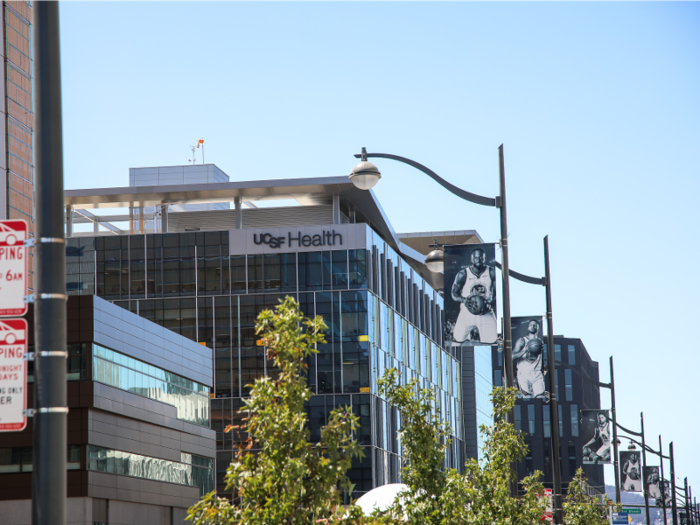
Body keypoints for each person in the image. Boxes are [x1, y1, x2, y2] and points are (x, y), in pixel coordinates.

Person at [451, 247, 497, 344]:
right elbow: (454, 293)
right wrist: (464, 300)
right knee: (456, 340)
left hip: (486, 311)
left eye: (481, 257)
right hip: (467, 311)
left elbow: (498, 293)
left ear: (484, 258)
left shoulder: (491, 272)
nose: (478, 259)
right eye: (476, 257)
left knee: (492, 342)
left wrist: (491, 303)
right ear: (471, 259)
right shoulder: (463, 274)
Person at [512, 320, 546, 398]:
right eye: (531, 325)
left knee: (540, 398)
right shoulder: (522, 340)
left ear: (538, 328)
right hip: (523, 373)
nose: (533, 326)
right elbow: (512, 357)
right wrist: (525, 350)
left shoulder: (541, 342)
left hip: (537, 373)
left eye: (535, 325)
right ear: (528, 328)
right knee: (526, 398)